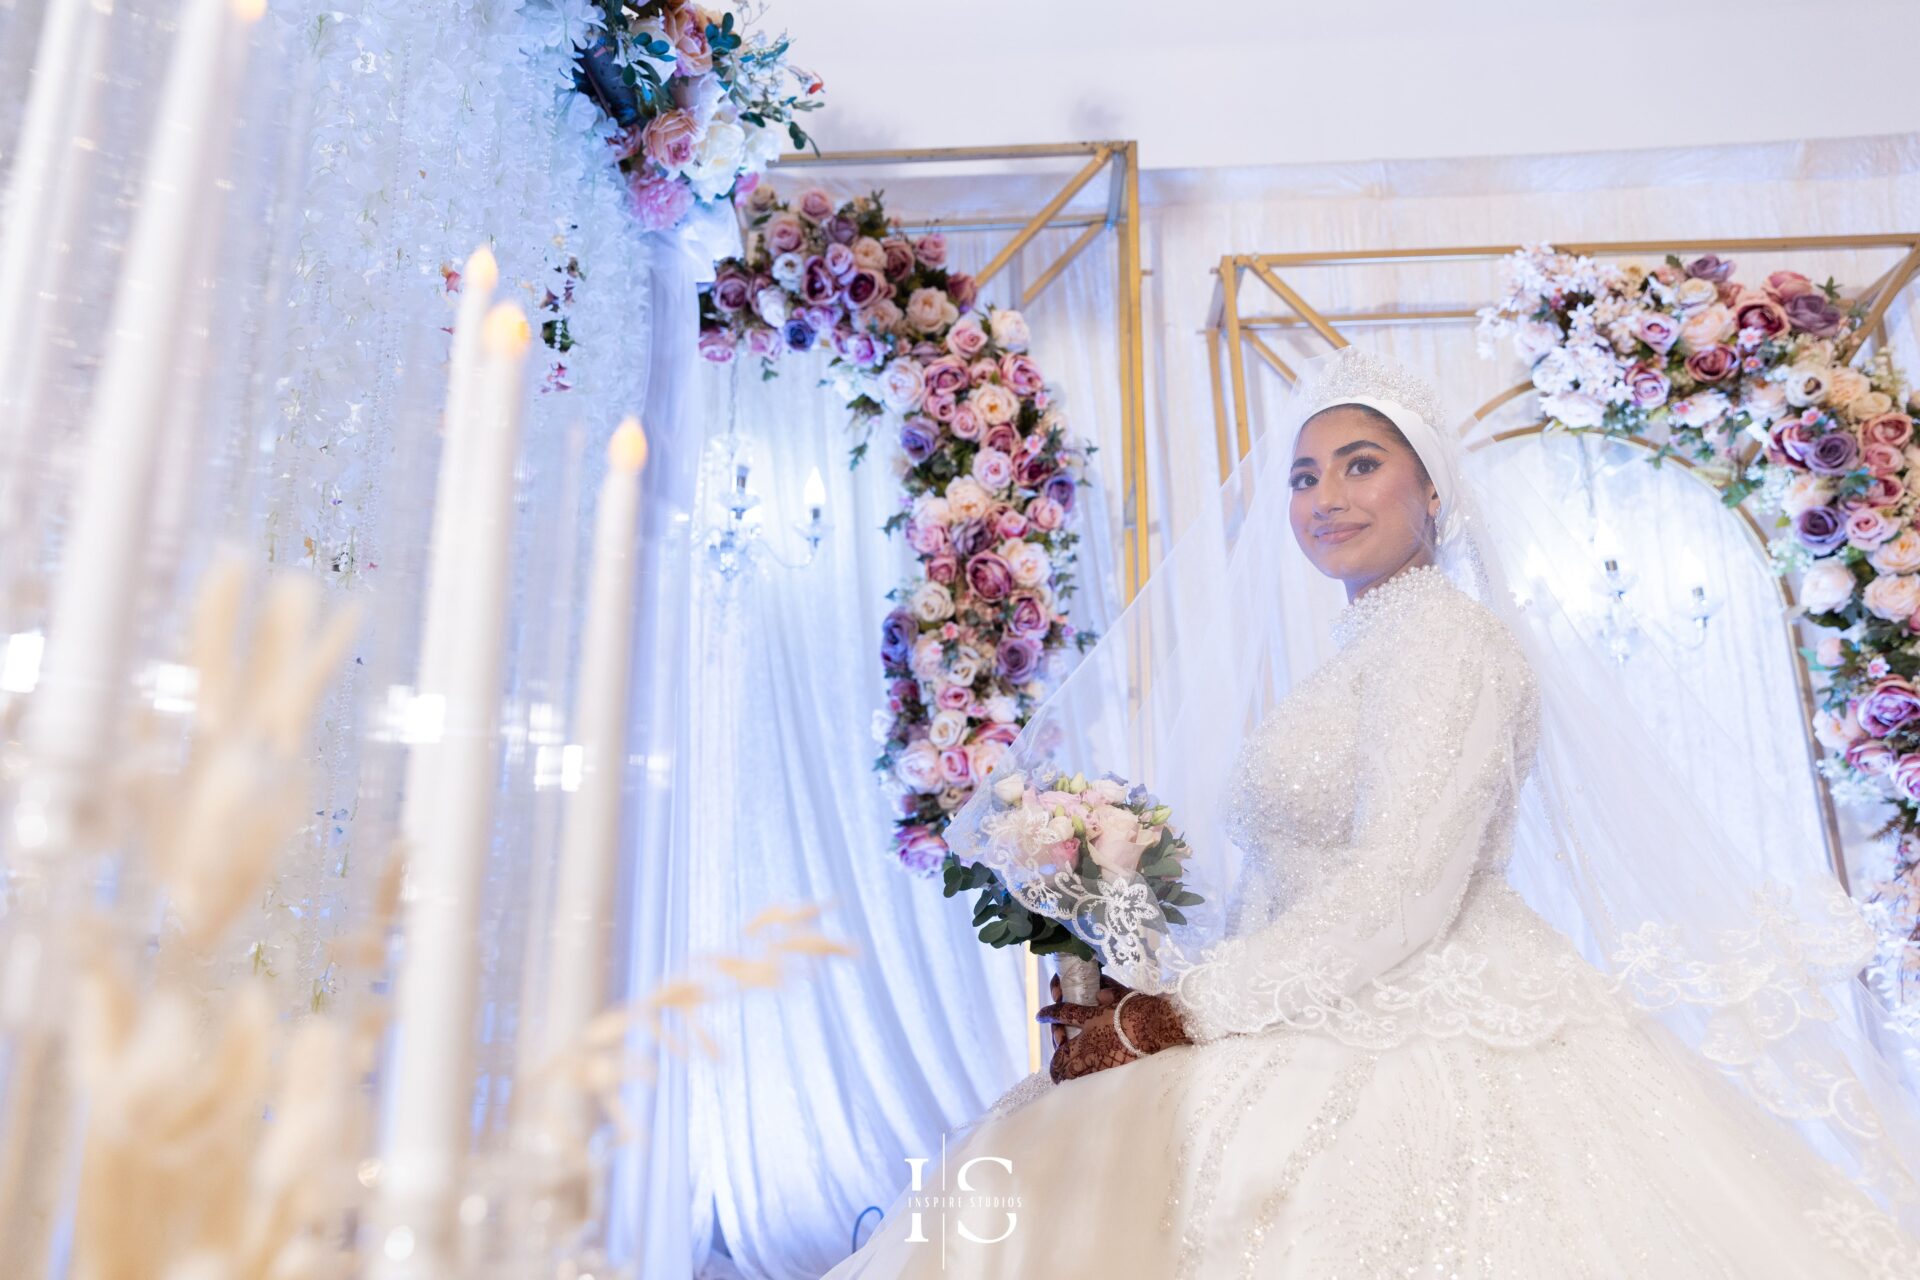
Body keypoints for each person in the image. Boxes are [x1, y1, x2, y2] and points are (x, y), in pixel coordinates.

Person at [825, 348, 1920, 1277]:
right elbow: (1294, 883)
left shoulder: (1442, 638)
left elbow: (1405, 882)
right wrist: (1147, 979)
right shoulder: (1370, 646)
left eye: (1361, 464)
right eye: (1304, 475)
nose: (1325, 496)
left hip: (1426, 1011)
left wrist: (1177, 1013)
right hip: (1319, 990)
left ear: (1433, 493)